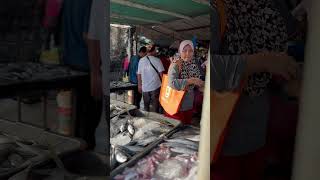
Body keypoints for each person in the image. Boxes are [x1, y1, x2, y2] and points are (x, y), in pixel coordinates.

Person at [211, 0, 300, 179]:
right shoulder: (216, 9)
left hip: (258, 132)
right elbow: (211, 70)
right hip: (224, 141)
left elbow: (293, 34)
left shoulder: (272, 6)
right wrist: (263, 62)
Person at [62, 0, 102, 150]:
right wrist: (95, 73)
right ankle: (83, 155)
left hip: (69, 62)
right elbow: (89, 36)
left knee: (73, 115)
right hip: (86, 65)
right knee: (88, 118)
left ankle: (73, 149)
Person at [164, 40, 205, 124]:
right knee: (176, 131)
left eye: (190, 51)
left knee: (186, 128)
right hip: (176, 106)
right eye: (184, 51)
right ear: (180, 51)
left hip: (188, 105)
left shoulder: (193, 65)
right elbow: (171, 83)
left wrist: (201, 85)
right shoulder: (175, 64)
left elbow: (195, 83)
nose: (187, 53)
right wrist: (190, 80)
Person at [87, 0, 107, 152]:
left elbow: (92, 37)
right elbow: (92, 38)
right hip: (102, 77)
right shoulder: (99, 3)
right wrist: (95, 74)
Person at [137, 45, 164, 112]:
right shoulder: (157, 60)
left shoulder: (141, 60)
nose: (156, 52)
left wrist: (139, 85)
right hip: (156, 87)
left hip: (145, 88)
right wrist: (164, 86)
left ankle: (147, 120)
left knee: (146, 107)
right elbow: (161, 75)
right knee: (155, 107)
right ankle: (156, 120)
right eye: (155, 50)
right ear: (153, 51)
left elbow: (139, 74)